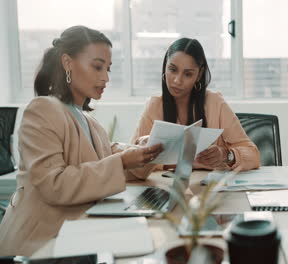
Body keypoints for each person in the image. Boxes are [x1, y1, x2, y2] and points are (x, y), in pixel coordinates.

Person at [0, 25, 163, 256]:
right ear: (68, 63)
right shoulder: (42, 110)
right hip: (37, 247)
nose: (105, 77)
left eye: (108, 69)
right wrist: (123, 161)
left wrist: (142, 151)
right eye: (97, 67)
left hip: (75, 234)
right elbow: (54, 184)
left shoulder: (88, 119)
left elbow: (108, 154)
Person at [131, 38, 261, 171]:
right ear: (165, 67)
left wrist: (226, 155)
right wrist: (183, 163)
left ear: (199, 75)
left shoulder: (215, 103)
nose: (177, 80)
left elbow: (253, 154)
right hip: (167, 187)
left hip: (211, 188)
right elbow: (132, 160)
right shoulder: (154, 106)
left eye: (188, 74)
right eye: (173, 69)